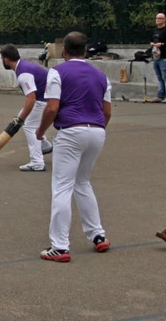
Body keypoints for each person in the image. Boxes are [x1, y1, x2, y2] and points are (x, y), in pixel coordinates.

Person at [35, 32, 111, 263]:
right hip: (97, 131)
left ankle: (59, 247)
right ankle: (98, 235)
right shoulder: (101, 75)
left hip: (70, 132)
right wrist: (95, 130)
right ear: (85, 51)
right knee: (83, 182)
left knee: (62, 187)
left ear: (64, 51)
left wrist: (40, 131)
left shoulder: (57, 72)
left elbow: (52, 108)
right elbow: (107, 112)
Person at [0, 44, 53, 172]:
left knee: (29, 126)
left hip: (44, 100)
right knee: (26, 118)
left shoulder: (23, 73)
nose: (2, 61)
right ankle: (44, 146)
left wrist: (20, 120)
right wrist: (21, 116)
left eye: (2, 58)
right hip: (48, 98)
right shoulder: (23, 66)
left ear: (6, 59)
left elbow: (31, 98)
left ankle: (37, 162)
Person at [150, 12, 166, 103]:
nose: (158, 20)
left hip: (165, 56)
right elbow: (151, 40)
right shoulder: (154, 30)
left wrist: (162, 44)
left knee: (165, 76)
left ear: (164, 20)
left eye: (160, 18)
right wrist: (152, 44)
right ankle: (160, 95)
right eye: (157, 18)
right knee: (159, 77)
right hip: (156, 55)